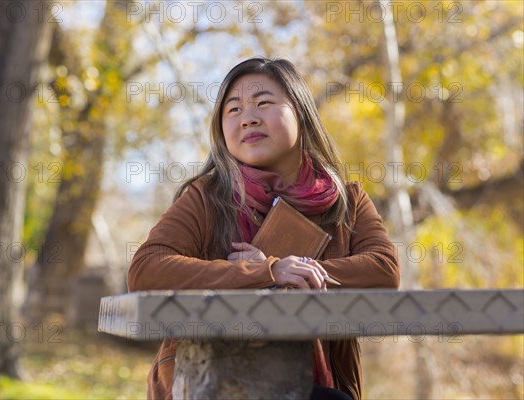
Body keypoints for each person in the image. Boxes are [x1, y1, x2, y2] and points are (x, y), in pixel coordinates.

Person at [127, 57, 400, 400]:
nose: (248, 118)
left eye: (263, 103)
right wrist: (264, 272)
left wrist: (290, 269)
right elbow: (146, 269)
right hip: (211, 382)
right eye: (234, 109)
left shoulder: (348, 201)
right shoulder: (207, 197)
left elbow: (384, 271)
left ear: (300, 112)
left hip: (313, 383)